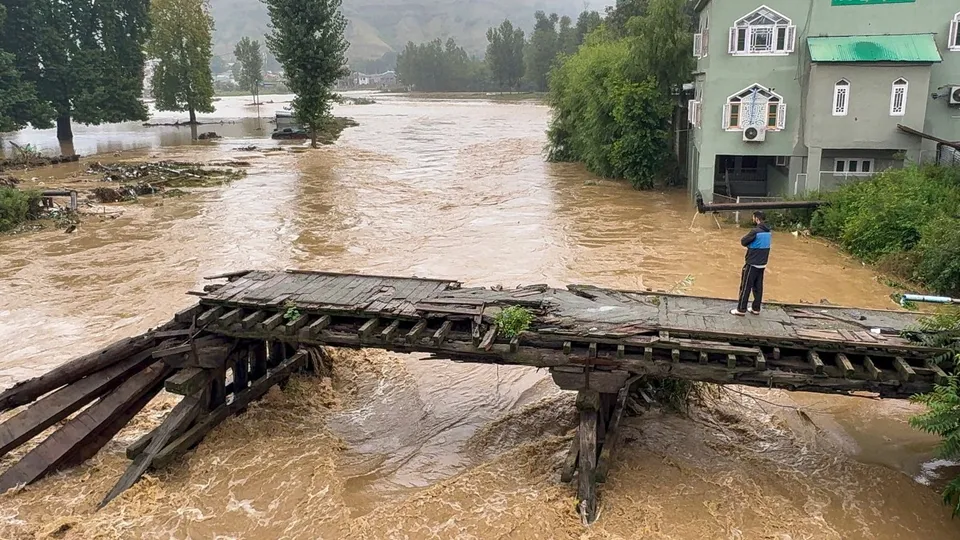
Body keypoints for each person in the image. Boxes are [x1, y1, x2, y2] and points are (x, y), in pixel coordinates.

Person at [731, 211, 771, 316]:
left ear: (757, 218)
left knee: (745, 287)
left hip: (752, 263)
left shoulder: (755, 231)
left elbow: (743, 241)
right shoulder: (768, 232)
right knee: (758, 287)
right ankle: (756, 308)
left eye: (753, 217)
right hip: (762, 263)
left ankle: (741, 309)